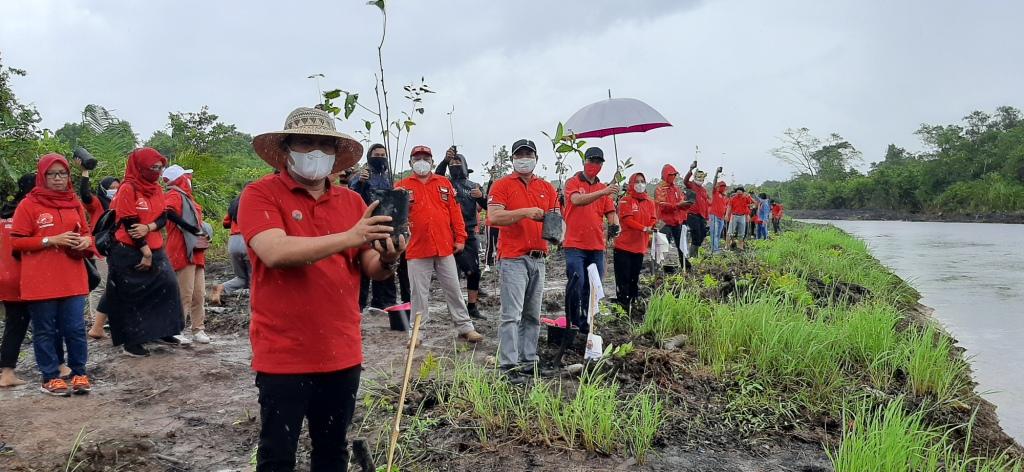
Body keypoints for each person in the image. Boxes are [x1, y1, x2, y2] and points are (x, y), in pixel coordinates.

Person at [243, 106, 406, 471]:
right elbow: (274, 252)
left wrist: (389, 259)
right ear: (286, 149)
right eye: (305, 142)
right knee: (277, 455)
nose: (315, 151)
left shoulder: (352, 202)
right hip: (283, 353)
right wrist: (351, 235)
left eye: (324, 144)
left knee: (332, 452)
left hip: (341, 350)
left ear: (335, 154)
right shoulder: (260, 195)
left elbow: (369, 265)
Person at [10, 154, 94, 396]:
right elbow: (17, 242)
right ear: (42, 176)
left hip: (72, 278)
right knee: (45, 330)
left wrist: (85, 241)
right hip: (41, 280)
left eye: (63, 173)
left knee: (75, 329)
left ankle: (79, 373)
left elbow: (87, 232)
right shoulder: (29, 205)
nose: (58, 178)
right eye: (52, 174)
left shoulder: (74, 202)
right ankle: (50, 377)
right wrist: (50, 240)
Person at [98, 147, 187, 357]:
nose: (157, 171)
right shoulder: (127, 188)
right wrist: (145, 252)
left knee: (167, 285)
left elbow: (163, 216)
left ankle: (164, 330)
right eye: (152, 167)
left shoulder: (156, 189)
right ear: (140, 167)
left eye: (159, 167)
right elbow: (130, 222)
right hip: (129, 250)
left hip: (154, 245)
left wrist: (149, 227)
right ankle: (132, 341)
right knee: (132, 295)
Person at [487, 139, 560, 382]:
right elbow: (494, 216)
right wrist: (525, 212)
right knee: (511, 315)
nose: (524, 159)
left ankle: (529, 361)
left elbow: (556, 220)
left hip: (539, 258)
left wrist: (556, 231)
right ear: (512, 159)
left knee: (532, 314)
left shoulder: (547, 188)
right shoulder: (502, 185)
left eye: (529, 154)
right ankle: (508, 365)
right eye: (520, 155)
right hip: (513, 258)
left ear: (536, 158)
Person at [397, 145, 483, 342]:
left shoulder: (443, 183)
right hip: (417, 248)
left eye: (426, 158)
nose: (422, 162)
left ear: (432, 162)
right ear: (410, 162)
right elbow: (396, 217)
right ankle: (417, 333)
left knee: (454, 289)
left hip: (444, 247)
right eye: (417, 158)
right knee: (418, 294)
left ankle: (465, 327)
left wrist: (460, 238)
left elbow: (455, 212)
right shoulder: (402, 186)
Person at [562, 147, 618, 335]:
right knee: (576, 283)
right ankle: (572, 321)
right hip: (574, 244)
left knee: (593, 286)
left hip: (596, 246)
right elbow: (577, 200)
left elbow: (610, 213)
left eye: (598, 162)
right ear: (584, 161)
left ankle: (587, 323)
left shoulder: (603, 189)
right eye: (591, 160)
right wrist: (604, 192)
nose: (595, 164)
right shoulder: (573, 182)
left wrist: (614, 224)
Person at [351, 143, 410, 314]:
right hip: (365, 221)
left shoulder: (387, 176)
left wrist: (397, 193)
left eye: (383, 155)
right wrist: (361, 182)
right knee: (363, 261)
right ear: (370, 156)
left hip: (385, 223)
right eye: (376, 154)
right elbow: (354, 194)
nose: (380, 157)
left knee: (384, 259)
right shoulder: (362, 174)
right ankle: (359, 304)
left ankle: (383, 302)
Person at [435, 147, 488, 319]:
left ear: (465, 165)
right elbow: (438, 175)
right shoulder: (445, 184)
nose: (455, 164)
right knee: (452, 273)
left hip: (469, 233)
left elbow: (487, 206)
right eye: (452, 162)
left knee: (474, 271)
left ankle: (472, 306)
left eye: (458, 162)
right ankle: (454, 307)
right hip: (448, 234)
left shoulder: (473, 186)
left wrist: (480, 196)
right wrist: (445, 160)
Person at [163, 165, 212, 344]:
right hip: (181, 249)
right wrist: (190, 227)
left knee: (199, 293)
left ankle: (198, 328)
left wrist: (202, 230)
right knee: (185, 293)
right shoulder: (174, 195)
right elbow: (168, 211)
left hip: (194, 250)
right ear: (180, 179)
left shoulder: (187, 198)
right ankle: (176, 329)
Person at [613, 172, 656, 312]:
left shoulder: (650, 202)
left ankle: (633, 304)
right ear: (631, 184)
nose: (640, 184)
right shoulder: (625, 201)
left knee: (634, 277)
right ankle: (623, 307)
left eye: (642, 181)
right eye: (637, 181)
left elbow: (653, 218)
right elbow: (627, 220)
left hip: (639, 247)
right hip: (623, 247)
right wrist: (644, 228)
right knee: (623, 278)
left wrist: (650, 226)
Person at [210, 191, 251, 305]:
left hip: (233, 242)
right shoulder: (254, 202)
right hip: (247, 240)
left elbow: (225, 223)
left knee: (241, 278)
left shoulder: (234, 204)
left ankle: (221, 287)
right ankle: (255, 308)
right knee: (254, 279)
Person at [654, 164, 687, 262]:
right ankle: (658, 266)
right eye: (671, 175)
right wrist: (677, 205)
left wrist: (685, 205)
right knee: (662, 247)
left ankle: (685, 265)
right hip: (664, 222)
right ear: (665, 175)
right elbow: (662, 205)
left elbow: (681, 200)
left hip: (676, 221)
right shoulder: (660, 189)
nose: (673, 177)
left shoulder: (676, 189)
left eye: (674, 175)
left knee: (681, 246)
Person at [682, 161, 713, 258]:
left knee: (703, 234)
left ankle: (695, 253)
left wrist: (706, 217)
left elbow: (705, 204)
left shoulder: (703, 190)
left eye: (702, 177)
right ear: (695, 177)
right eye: (699, 177)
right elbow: (685, 181)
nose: (700, 179)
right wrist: (691, 169)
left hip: (701, 216)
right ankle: (692, 256)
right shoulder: (691, 185)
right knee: (696, 234)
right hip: (692, 214)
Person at [725, 186, 755, 251]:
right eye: (737, 193)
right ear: (736, 193)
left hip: (742, 216)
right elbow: (729, 207)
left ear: (743, 193)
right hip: (734, 216)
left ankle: (740, 246)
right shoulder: (732, 198)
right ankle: (727, 246)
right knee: (730, 232)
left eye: (740, 193)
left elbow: (753, 203)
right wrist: (727, 215)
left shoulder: (746, 198)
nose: (739, 194)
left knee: (741, 233)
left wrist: (749, 197)